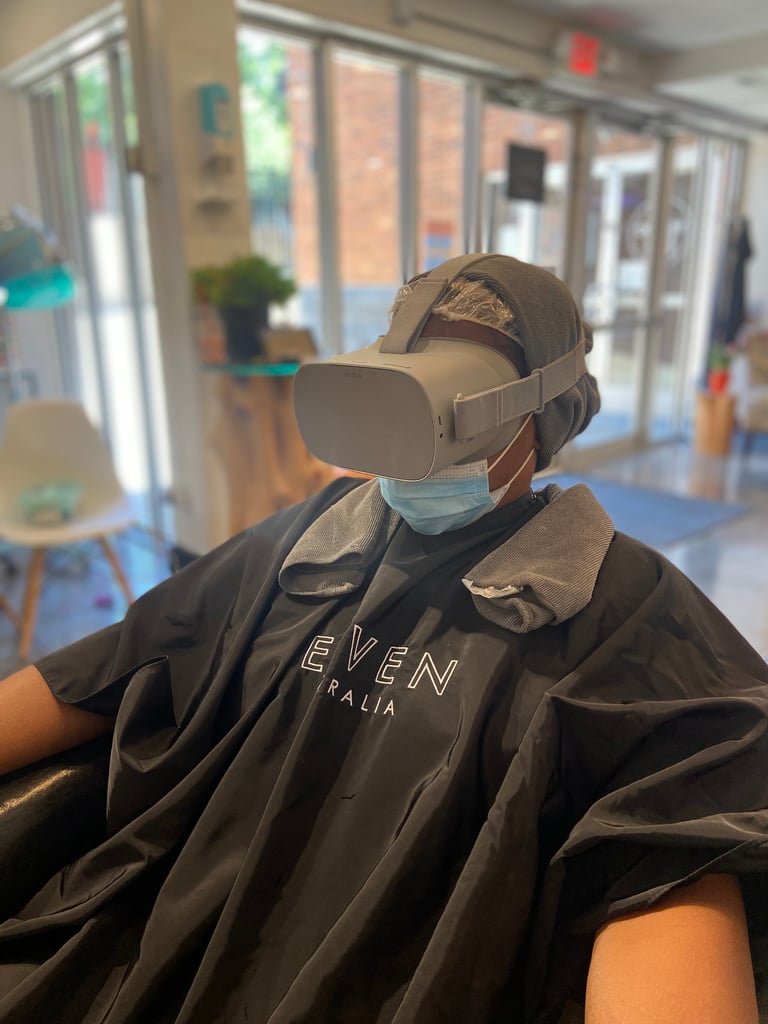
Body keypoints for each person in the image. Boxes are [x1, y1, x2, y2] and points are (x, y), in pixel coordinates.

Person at [0, 253, 766, 1024]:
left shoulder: (628, 611)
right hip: (157, 944)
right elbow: (118, 658)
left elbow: (673, 848)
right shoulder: (309, 541)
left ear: (542, 412)